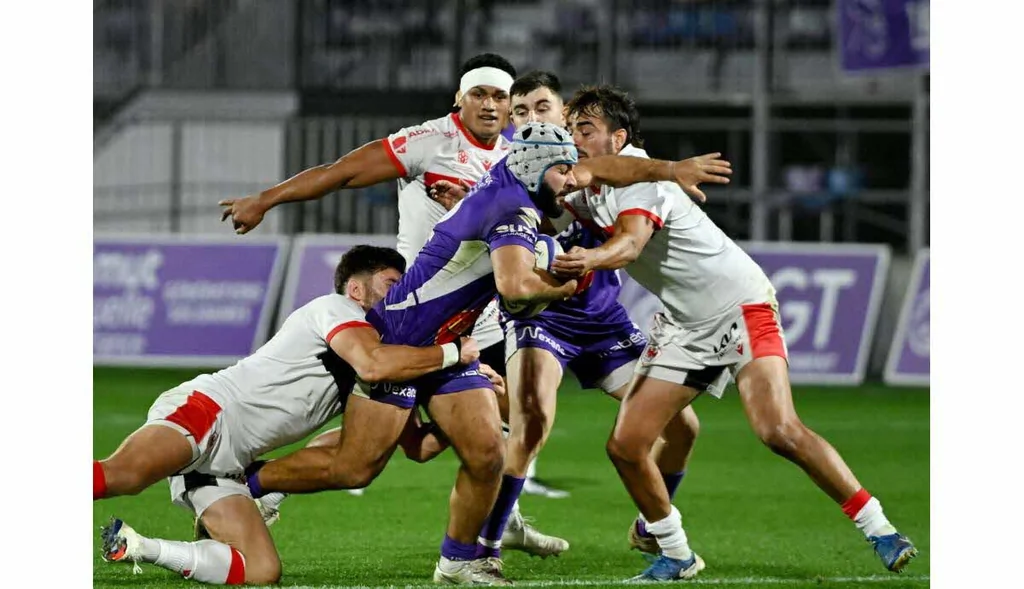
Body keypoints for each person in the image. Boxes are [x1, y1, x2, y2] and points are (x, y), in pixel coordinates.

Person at [238, 122, 735, 585]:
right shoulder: (514, 211)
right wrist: (569, 282)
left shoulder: (516, 174)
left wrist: (669, 170)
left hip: (450, 346)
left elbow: (600, 169)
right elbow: (516, 289)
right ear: (535, 167)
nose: (571, 181)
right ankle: (248, 485)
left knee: (487, 452)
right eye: (562, 171)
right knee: (358, 466)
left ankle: (458, 561)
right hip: (403, 341)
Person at [551, 85, 919, 581]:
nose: (574, 139)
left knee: (778, 430)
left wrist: (591, 258)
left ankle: (880, 528)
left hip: (739, 304)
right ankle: (676, 553)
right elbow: (570, 187)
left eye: (586, 130)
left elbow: (631, 244)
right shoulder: (592, 177)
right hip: (685, 324)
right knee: (626, 445)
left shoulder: (642, 179)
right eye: (570, 129)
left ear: (619, 138)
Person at [220, 52, 569, 557]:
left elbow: (532, 221)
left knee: (497, 426)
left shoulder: (519, 154)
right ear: (459, 98)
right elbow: (342, 172)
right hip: (415, 313)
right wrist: (267, 200)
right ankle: (258, 482)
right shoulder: (431, 141)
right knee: (388, 452)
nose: (491, 105)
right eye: (480, 94)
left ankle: (492, 527)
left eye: (501, 97)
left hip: (479, 317)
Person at [430, 72, 707, 580]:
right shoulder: (518, 166)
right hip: (544, 315)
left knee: (683, 426)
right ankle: (487, 543)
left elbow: (638, 198)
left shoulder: (603, 165)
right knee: (531, 419)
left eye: (541, 108)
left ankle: (653, 524)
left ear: (565, 114)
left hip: (602, 317)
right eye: (521, 112)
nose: (530, 120)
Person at [95, 246, 480, 585]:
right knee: (125, 476)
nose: (397, 295)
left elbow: (415, 445)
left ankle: (139, 546)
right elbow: (372, 364)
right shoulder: (336, 309)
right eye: (389, 283)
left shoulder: (391, 354)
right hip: (210, 412)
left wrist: (474, 405)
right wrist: (452, 353)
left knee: (262, 570)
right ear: (356, 289)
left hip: (229, 466)